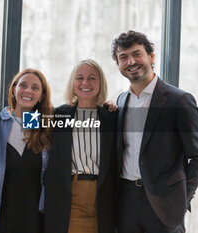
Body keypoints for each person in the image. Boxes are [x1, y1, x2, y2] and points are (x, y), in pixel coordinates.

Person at [111, 30, 198, 233]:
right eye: (123, 57)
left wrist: (181, 197)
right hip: (126, 201)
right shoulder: (121, 101)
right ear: (119, 64)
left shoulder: (179, 100)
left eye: (137, 54)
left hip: (164, 203)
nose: (131, 61)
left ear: (151, 56)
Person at [45, 59, 118, 233]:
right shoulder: (59, 115)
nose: (85, 83)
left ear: (100, 84)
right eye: (80, 78)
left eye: (92, 78)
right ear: (72, 83)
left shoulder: (112, 118)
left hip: (101, 200)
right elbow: (24, 122)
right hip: (67, 199)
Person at [0, 68, 53, 233]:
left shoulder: (44, 128)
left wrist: (108, 107)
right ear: (14, 89)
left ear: (42, 95)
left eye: (35, 88)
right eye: (23, 85)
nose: (28, 91)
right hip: (0, 216)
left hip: (34, 217)